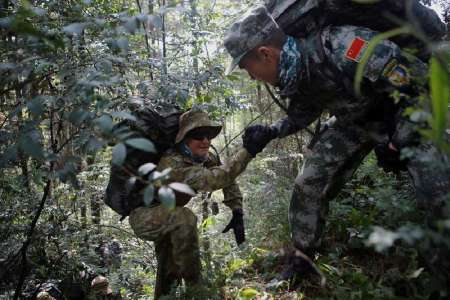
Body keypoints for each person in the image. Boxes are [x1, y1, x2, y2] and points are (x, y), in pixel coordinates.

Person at [224, 6, 450, 278]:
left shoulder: (345, 45)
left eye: (248, 68)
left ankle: (441, 271)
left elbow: (418, 86)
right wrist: (271, 131)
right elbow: (304, 112)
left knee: (438, 191)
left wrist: (398, 138)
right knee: (308, 184)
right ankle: (302, 262)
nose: (251, 76)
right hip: (354, 121)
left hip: (404, 116)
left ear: (265, 54)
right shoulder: (294, 72)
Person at [128, 109, 254, 299]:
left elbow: (225, 176)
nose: (205, 141)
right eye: (197, 135)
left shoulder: (203, 157)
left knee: (168, 268)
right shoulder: (173, 164)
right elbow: (218, 178)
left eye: (208, 135)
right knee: (184, 218)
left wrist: (236, 210)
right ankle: (196, 290)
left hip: (166, 215)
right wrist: (250, 150)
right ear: (184, 138)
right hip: (144, 215)